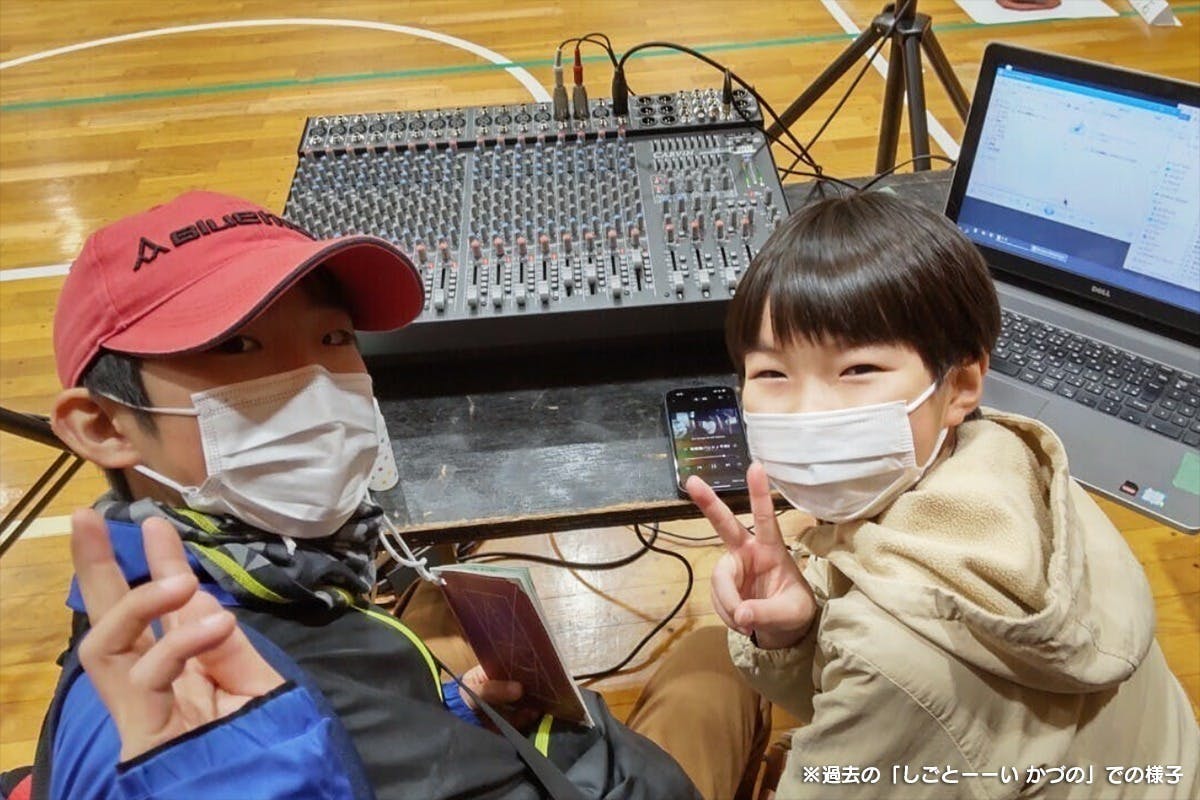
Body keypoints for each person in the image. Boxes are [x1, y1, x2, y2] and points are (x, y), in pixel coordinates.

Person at [24, 190, 768, 800]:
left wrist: (452, 718)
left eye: (334, 338)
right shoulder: (171, 742)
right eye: (239, 347)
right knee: (719, 660)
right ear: (103, 426)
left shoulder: (246, 587)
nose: (317, 386)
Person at [686, 192, 1199, 798]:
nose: (808, 412)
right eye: (772, 373)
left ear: (960, 383)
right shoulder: (1018, 458)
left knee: (696, 668)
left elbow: (896, 687)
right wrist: (798, 631)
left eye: (858, 370)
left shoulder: (892, 665)